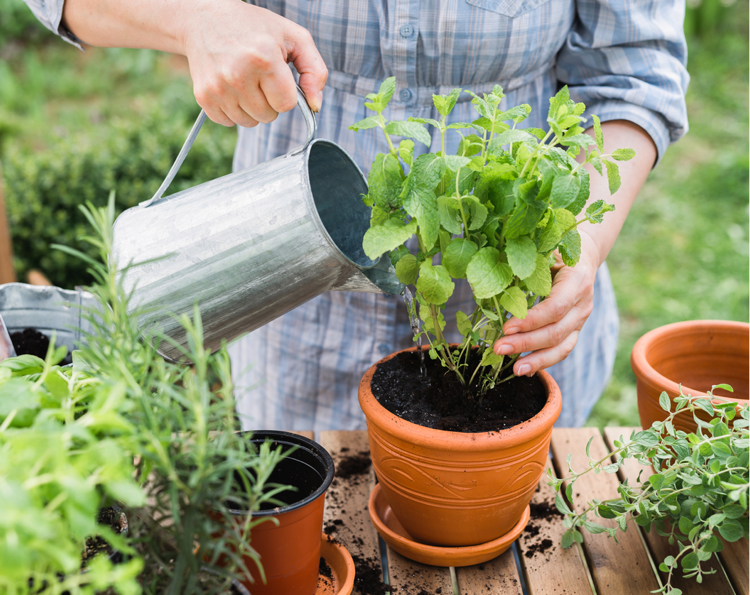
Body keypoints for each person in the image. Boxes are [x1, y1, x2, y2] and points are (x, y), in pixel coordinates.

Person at [25, 0, 688, 430]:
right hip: (286, 290)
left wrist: (584, 241)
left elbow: (633, 71)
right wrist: (195, 19)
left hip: (510, 325)